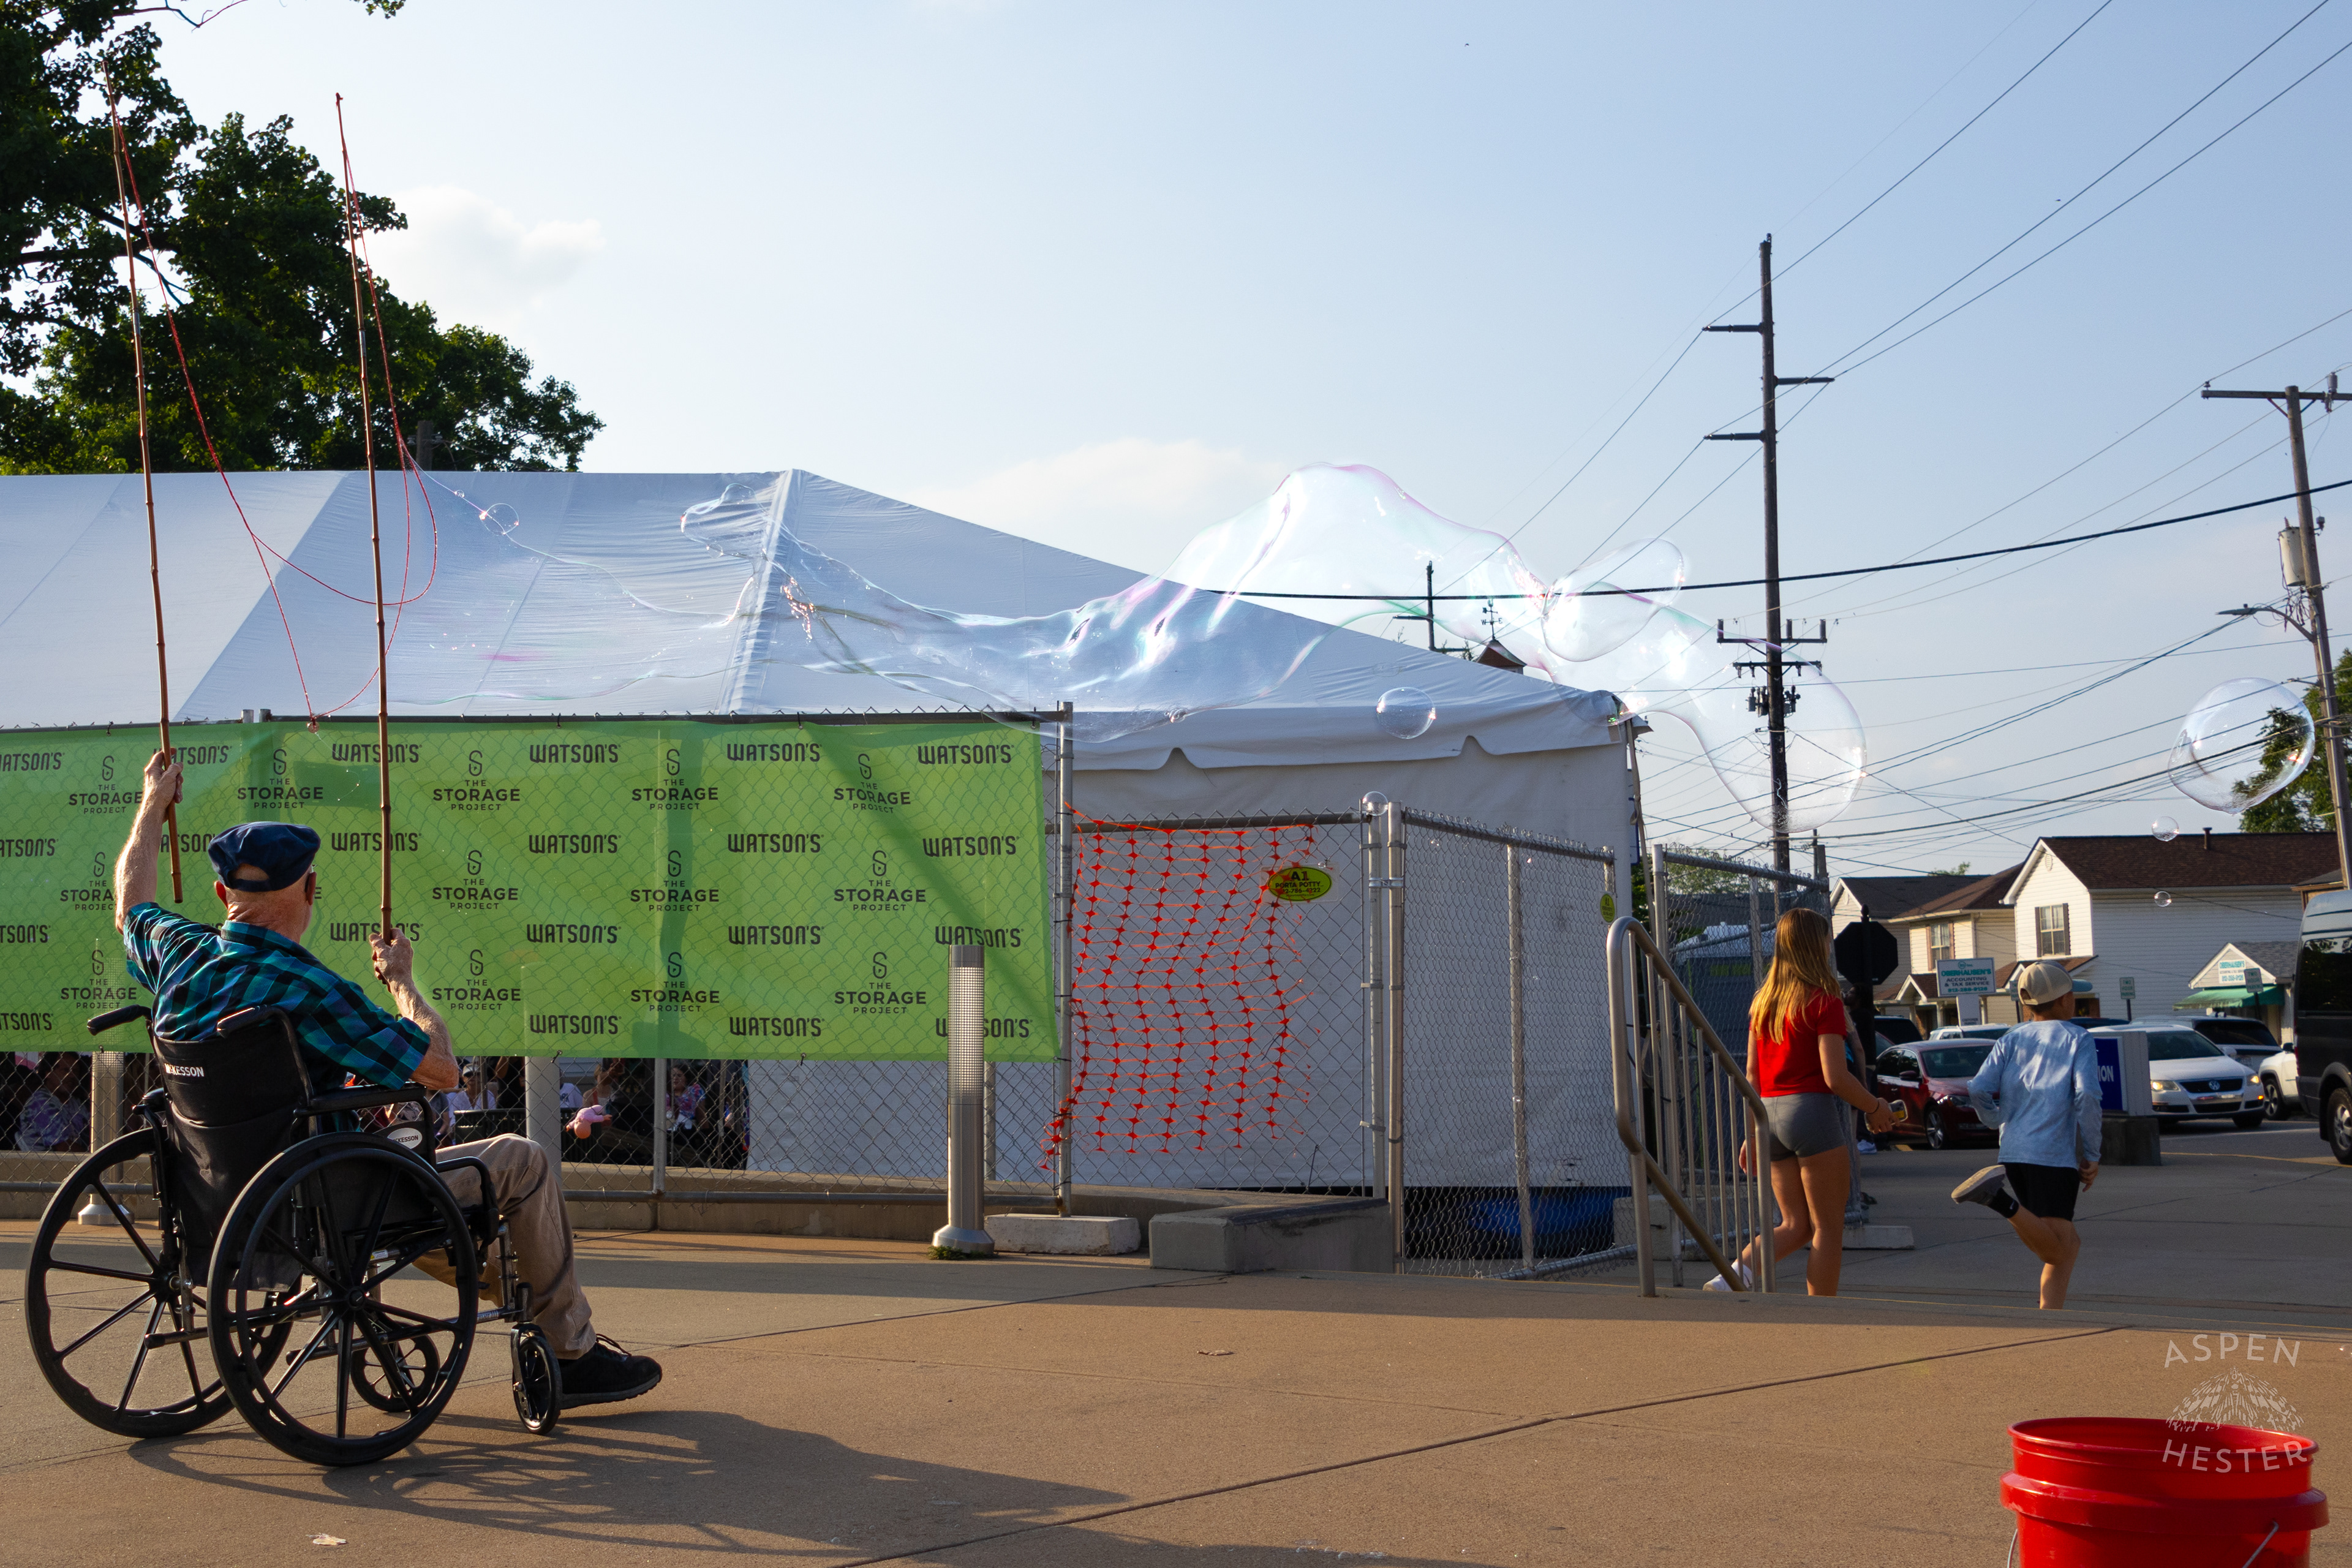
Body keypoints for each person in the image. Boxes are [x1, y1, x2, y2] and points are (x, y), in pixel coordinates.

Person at [112, 750, 660, 1406]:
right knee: (520, 1160)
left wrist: (152, 803)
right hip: (327, 1195)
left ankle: (513, 1295)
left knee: (392, 1168)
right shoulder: (310, 988)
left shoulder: (179, 954)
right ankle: (571, 1349)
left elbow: (129, 902)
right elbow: (441, 1068)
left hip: (215, 1188)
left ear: (223, 894)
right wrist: (402, 981)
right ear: (310, 891)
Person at [1708, 907, 1897, 1296]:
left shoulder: (1763, 1003)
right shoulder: (1824, 1001)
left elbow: (1752, 1077)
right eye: (1826, 939)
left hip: (1770, 1116)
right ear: (1817, 945)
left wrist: (1751, 1134)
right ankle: (1821, 1314)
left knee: (1794, 1225)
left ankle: (1731, 1279)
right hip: (1811, 1113)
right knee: (1827, 1228)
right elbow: (1835, 1076)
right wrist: (1875, 1107)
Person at [1949, 961, 2102, 1310]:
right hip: (2052, 1155)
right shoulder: (2077, 1037)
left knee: (2067, 1245)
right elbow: (2088, 1096)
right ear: (2064, 1000)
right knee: (2057, 1247)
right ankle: (1996, 1199)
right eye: (2072, 994)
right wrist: (2092, 1152)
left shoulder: (2011, 1038)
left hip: (2014, 1151)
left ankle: (2050, 1317)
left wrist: (1997, 1120)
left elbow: (1978, 1089)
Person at [17, 1055, 90, 1153]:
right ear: (49, 1073)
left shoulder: (75, 1102)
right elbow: (63, 1147)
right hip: (47, 1163)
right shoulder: (41, 1102)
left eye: (75, 1071)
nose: (72, 1076)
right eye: (65, 1070)